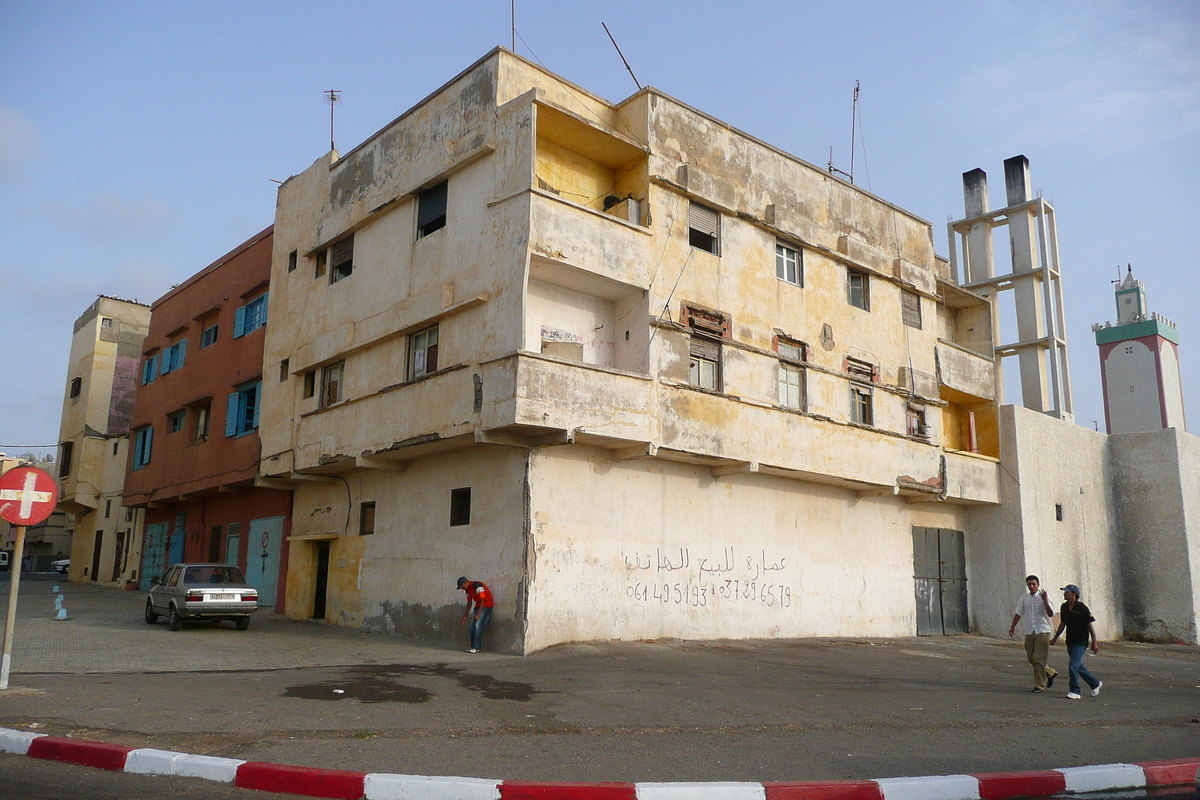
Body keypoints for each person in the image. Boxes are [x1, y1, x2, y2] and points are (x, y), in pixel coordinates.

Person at [1050, 584, 1102, 700]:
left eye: (1067, 592)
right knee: (1077, 665)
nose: (1064, 594)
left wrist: (1094, 641)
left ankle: (1075, 690)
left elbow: (1090, 625)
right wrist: (1055, 638)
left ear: (1074, 594)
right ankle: (1095, 683)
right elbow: (1063, 624)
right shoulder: (1063, 607)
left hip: (1081, 640)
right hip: (1070, 640)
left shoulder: (1082, 608)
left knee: (1073, 665)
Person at [1008, 574, 1058, 692]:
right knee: (1031, 658)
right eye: (1029, 584)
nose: (1031, 586)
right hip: (1030, 631)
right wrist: (1013, 627)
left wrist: (1045, 600)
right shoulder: (1024, 598)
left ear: (1038, 585)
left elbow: (1051, 613)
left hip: (1042, 630)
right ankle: (1050, 672)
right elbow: (1018, 612)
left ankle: (1039, 685)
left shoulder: (1045, 597)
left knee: (1039, 659)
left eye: (1033, 584)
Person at [457, 576, 494, 653]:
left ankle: (477, 647)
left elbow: (483, 601)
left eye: (462, 586)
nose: (462, 589)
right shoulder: (467, 591)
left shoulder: (477, 585)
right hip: (478, 606)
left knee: (478, 626)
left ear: (466, 582)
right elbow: (469, 603)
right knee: (471, 627)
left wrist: (478, 614)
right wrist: (465, 616)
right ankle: (473, 647)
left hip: (486, 605)